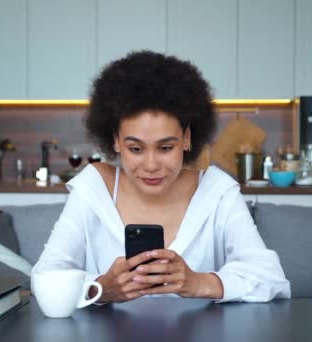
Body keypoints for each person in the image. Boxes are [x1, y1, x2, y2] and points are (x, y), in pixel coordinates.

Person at [32, 50, 290, 303]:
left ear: (187, 138)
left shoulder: (218, 191)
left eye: (165, 148)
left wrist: (198, 283)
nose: (151, 164)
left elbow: (272, 280)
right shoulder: (93, 187)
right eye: (136, 149)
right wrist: (100, 289)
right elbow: (46, 276)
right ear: (115, 141)